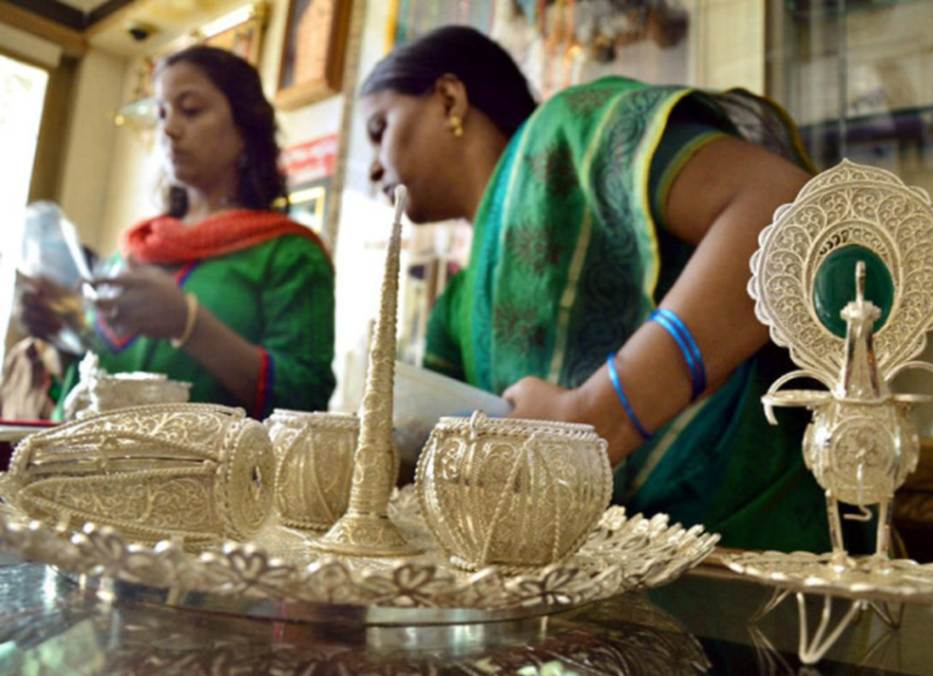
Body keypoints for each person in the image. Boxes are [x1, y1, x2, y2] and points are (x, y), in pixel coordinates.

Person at [359, 25, 848, 553]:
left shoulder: (571, 130)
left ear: (449, 99)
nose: (374, 167)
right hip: (578, 595)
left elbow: (789, 212)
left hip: (744, 556)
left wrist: (597, 414)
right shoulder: (456, 304)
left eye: (379, 128)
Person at [18, 46, 335, 419]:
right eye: (162, 112)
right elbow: (97, 378)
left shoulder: (289, 254)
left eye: (191, 110)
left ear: (244, 129)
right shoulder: (135, 250)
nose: (168, 128)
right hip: (86, 465)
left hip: (208, 474)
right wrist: (66, 334)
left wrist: (189, 324)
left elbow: (306, 400)